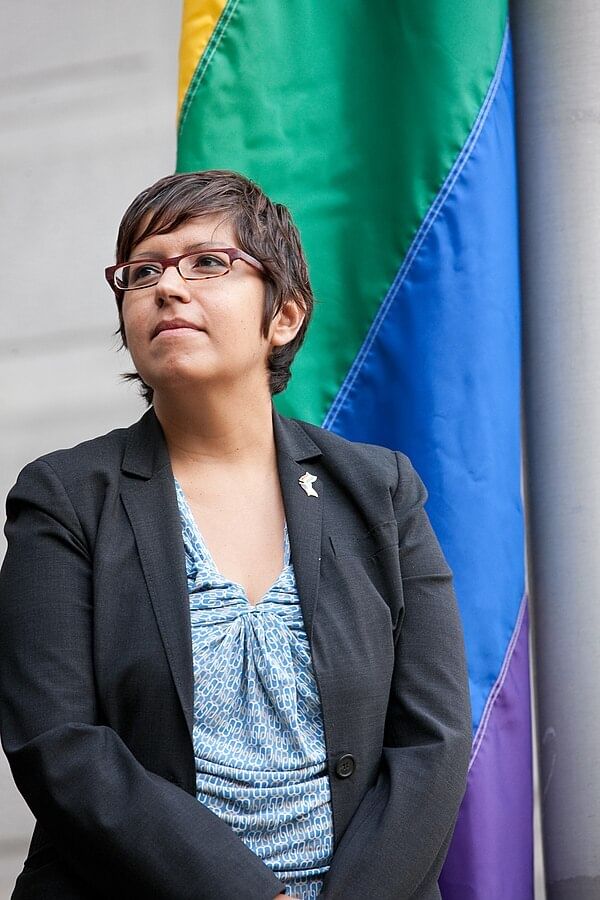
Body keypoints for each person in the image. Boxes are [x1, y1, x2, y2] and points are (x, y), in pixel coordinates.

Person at [0, 170, 472, 899]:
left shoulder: (380, 490)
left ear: (282, 316)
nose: (167, 286)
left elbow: (433, 741)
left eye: (208, 262)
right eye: (143, 270)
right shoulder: (63, 497)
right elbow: (59, 745)